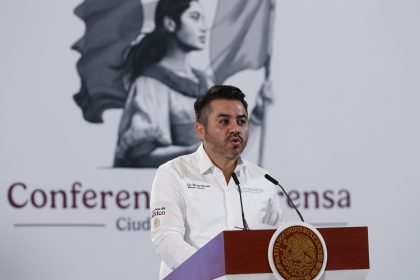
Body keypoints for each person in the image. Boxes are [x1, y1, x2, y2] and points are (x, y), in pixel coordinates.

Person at [150, 85, 284, 279]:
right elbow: (166, 241)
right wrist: (216, 270)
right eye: (224, 121)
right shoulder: (173, 173)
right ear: (201, 131)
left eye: (241, 121)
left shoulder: (264, 180)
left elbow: (276, 245)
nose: (235, 129)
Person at [113, 0, 209, 167]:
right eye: (194, 17)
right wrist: (195, 153)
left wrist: (258, 116)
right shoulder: (150, 84)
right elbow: (141, 156)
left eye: (202, 19)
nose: (203, 27)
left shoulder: (206, 83)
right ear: (170, 23)